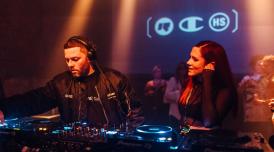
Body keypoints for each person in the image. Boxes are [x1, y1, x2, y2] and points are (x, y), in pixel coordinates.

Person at [0, 36, 144, 129]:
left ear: (90, 57)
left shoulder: (115, 80)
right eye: (67, 60)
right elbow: (34, 101)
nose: (70, 64)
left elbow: (135, 115)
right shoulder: (61, 83)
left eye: (75, 59)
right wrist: (4, 110)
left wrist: (123, 140)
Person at [178, 40, 237, 128]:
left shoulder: (224, 91)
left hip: (210, 140)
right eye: (190, 57)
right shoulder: (192, 84)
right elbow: (186, 119)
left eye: (195, 59)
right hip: (188, 138)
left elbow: (209, 122)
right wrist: (183, 136)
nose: (188, 62)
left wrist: (207, 80)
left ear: (211, 64)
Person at [163, 62, 188, 129]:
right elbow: (167, 95)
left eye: (184, 68)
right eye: (180, 69)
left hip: (186, 115)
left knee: (185, 133)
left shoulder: (189, 81)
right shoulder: (173, 80)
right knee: (174, 133)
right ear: (178, 70)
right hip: (174, 114)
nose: (183, 70)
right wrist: (179, 92)